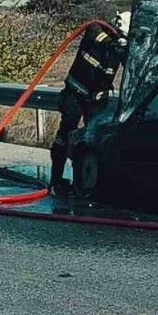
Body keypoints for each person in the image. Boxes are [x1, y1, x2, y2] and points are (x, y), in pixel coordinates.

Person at [49, 22, 128, 196]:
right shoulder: (96, 31)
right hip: (74, 95)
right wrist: (114, 43)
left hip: (97, 100)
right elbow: (94, 33)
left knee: (92, 139)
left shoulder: (119, 50)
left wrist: (124, 50)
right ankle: (56, 180)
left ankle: (86, 183)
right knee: (65, 134)